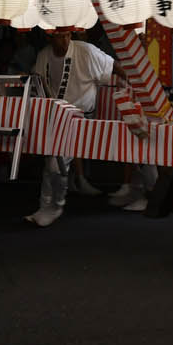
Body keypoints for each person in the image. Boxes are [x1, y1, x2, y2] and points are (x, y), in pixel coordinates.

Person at [25, 30, 123, 227]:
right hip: (55, 115)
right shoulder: (44, 55)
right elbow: (38, 81)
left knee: (55, 163)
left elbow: (113, 66)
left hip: (80, 116)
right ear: (49, 37)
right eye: (59, 36)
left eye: (67, 35)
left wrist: (136, 83)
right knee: (50, 162)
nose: (65, 40)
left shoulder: (85, 51)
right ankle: (45, 206)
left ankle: (55, 206)